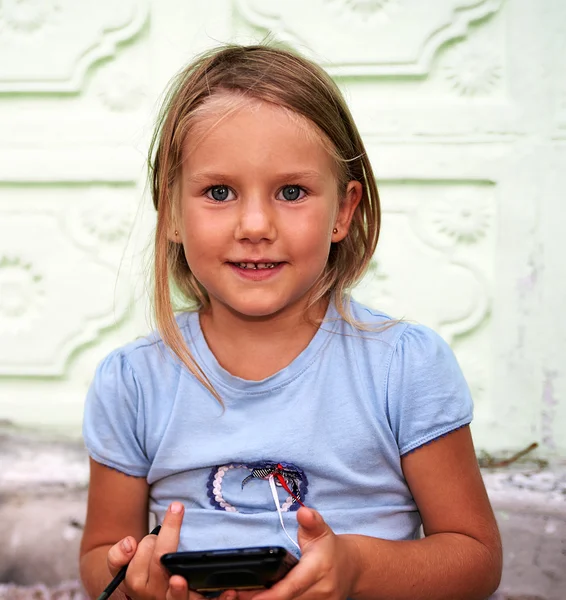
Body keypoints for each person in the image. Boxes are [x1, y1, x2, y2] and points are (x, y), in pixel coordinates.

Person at [79, 44, 502, 600]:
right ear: (174, 211)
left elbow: (475, 559)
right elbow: (98, 554)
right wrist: (134, 580)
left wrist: (356, 568)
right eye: (220, 192)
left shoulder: (405, 365)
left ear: (344, 211)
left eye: (292, 191)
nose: (255, 225)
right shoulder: (132, 381)